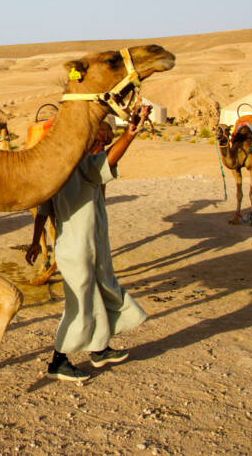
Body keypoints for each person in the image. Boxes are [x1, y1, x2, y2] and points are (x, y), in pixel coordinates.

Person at [26, 105, 152, 382]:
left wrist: (35, 242)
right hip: (77, 250)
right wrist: (129, 135)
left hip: (88, 247)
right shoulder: (82, 164)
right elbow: (107, 162)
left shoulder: (58, 169)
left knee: (101, 293)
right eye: (101, 140)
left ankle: (99, 349)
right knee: (80, 305)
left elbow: (44, 209)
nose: (103, 144)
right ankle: (58, 361)